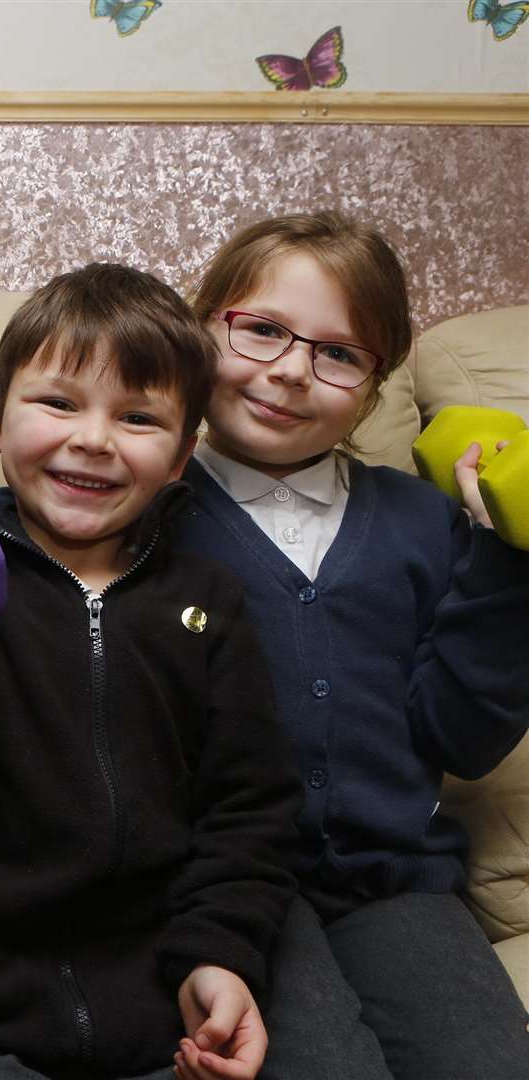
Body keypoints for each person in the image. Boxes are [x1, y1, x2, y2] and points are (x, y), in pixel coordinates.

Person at [0, 264, 302, 1080]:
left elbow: (249, 807)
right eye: (58, 403)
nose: (93, 438)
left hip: (162, 994)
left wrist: (220, 955)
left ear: (183, 454)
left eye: (138, 417)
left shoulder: (206, 601)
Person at [174, 211, 529, 1079]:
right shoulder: (138, 505)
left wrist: (505, 561)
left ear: (373, 388)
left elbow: (465, 741)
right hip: (224, 890)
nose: (292, 370)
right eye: (261, 331)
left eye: (339, 353)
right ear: (200, 328)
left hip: (395, 880)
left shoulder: (423, 522)